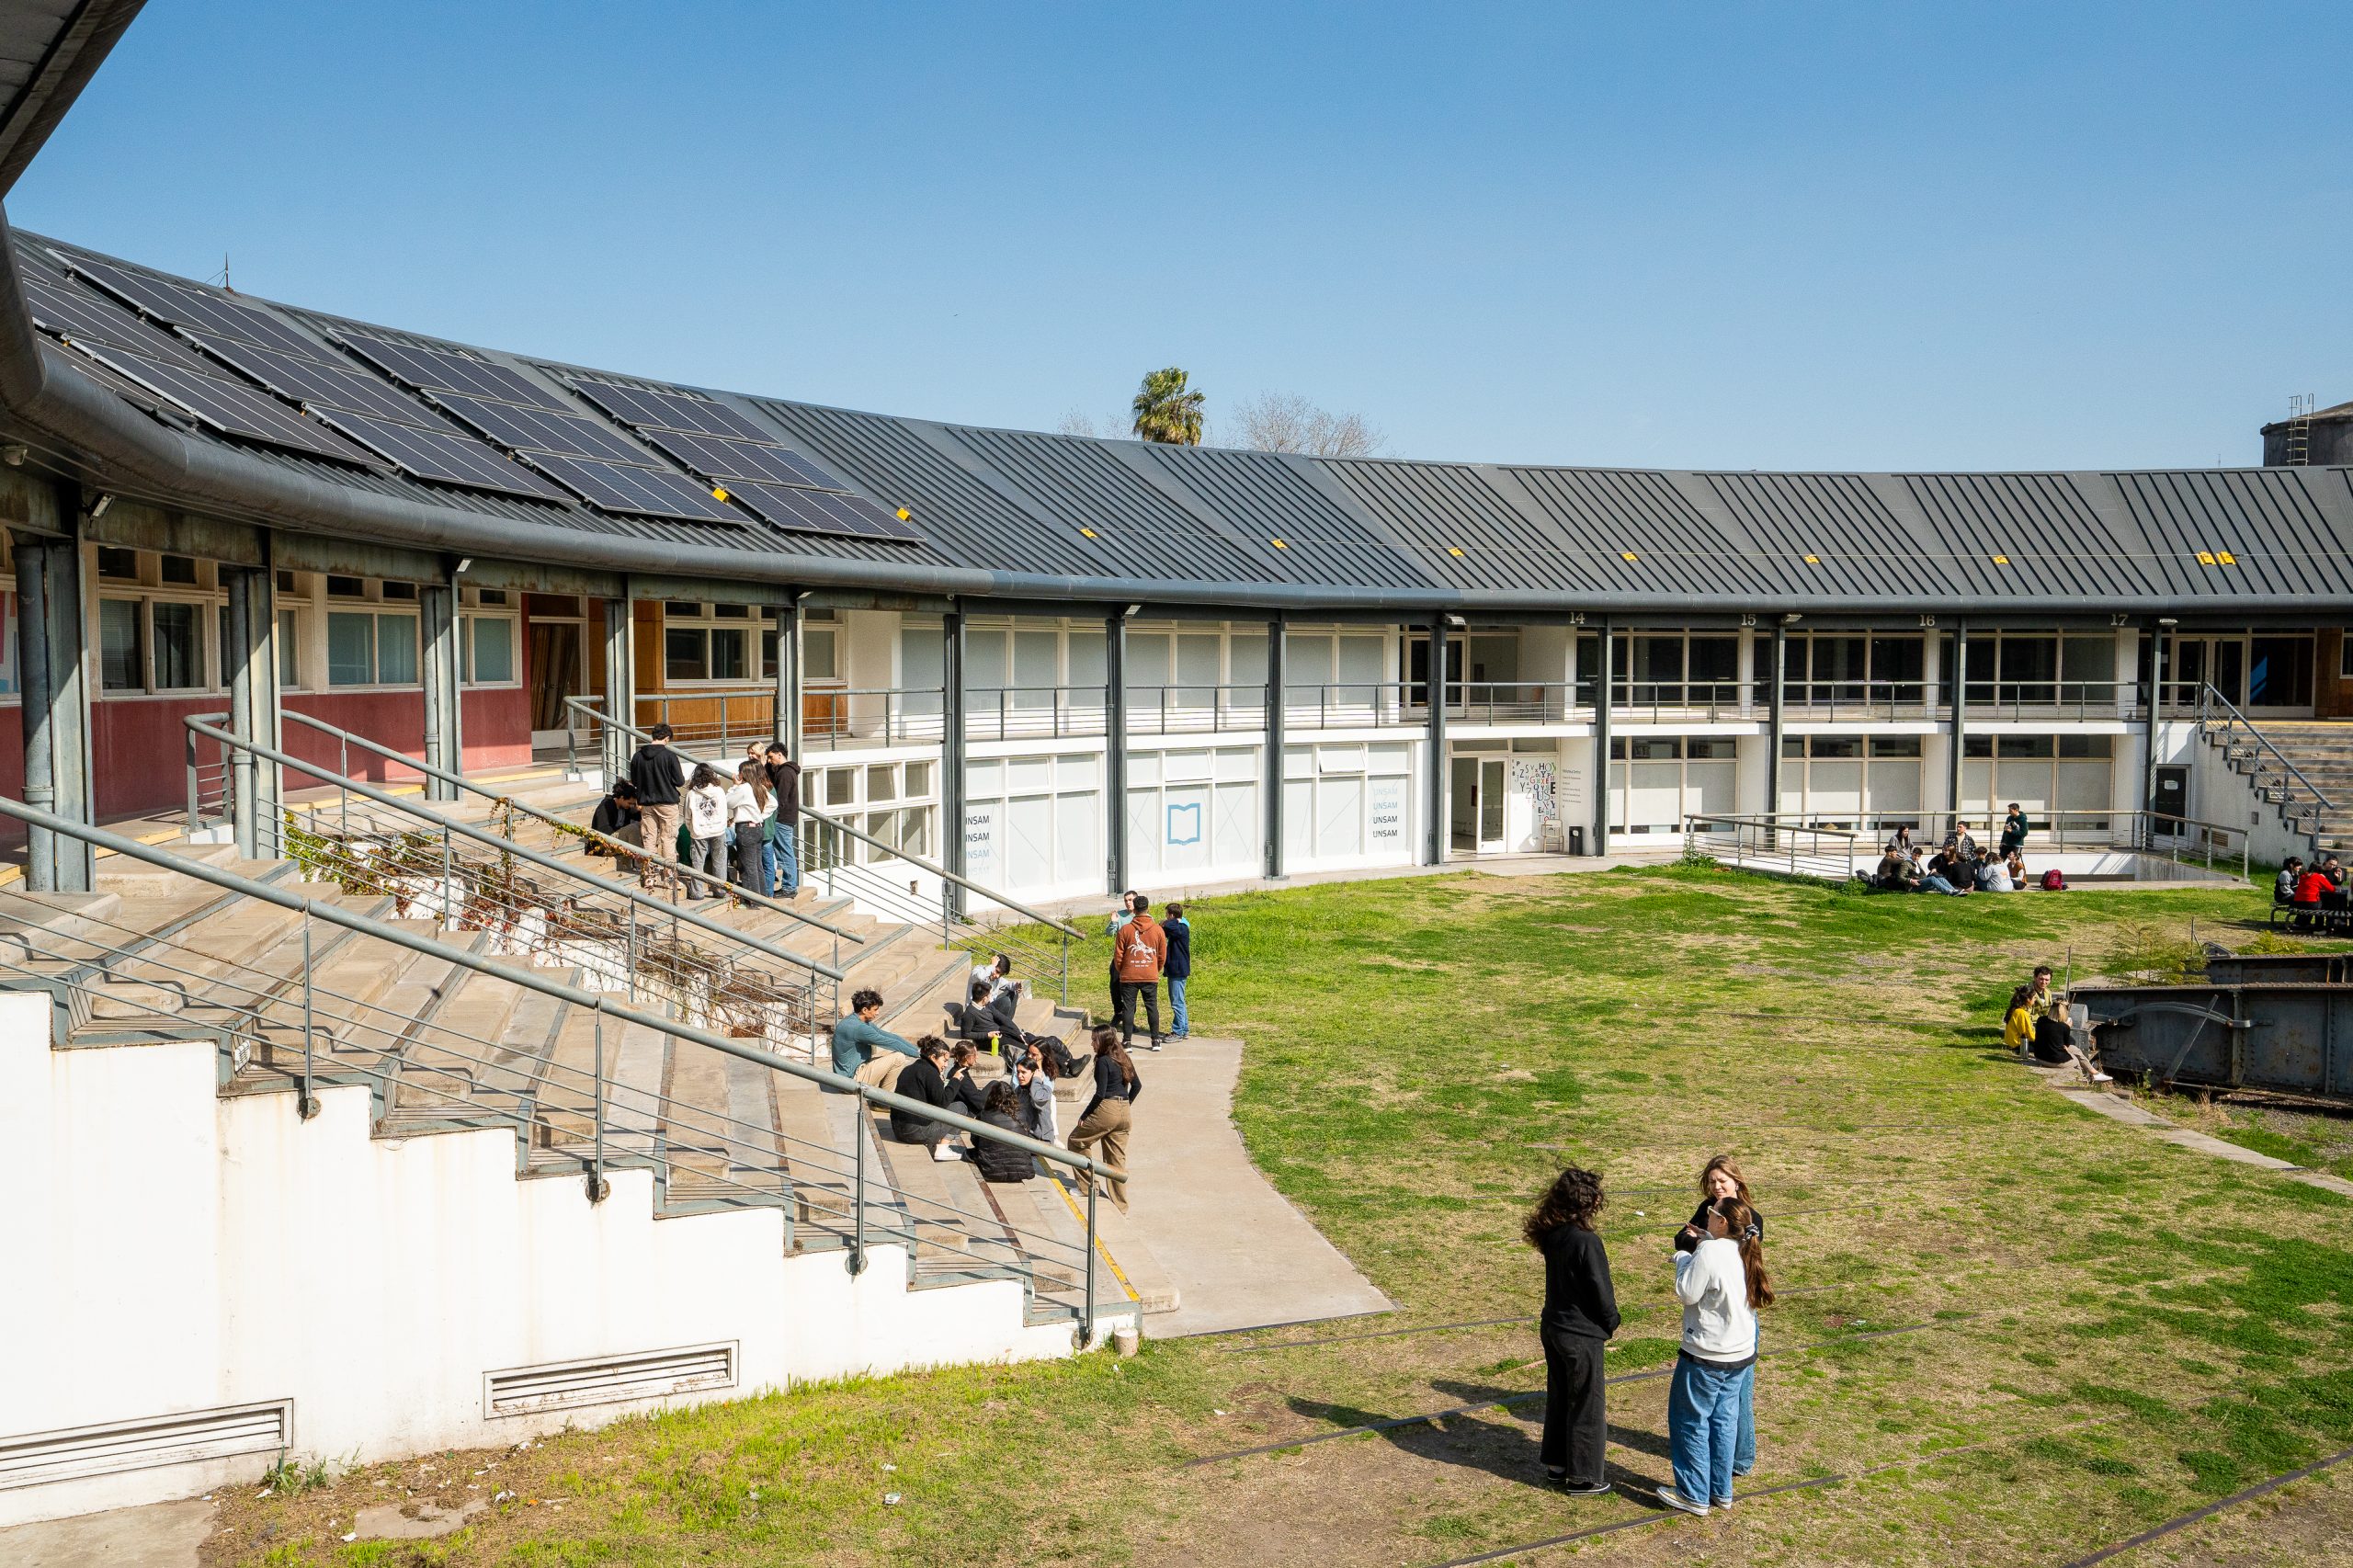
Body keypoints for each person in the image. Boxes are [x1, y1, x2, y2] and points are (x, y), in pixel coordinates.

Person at [1659, 1196, 1772, 1517]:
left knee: (1690, 1421)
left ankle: (1693, 1494)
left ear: (1721, 1221)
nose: (1706, 1216)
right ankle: (1721, 1491)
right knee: (1724, 1421)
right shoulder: (1745, 1248)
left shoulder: (1709, 1252)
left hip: (1707, 1354)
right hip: (1740, 1353)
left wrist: (1684, 1256)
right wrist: (1705, 1243)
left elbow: (1687, 1292)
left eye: (1711, 1213)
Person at [1526, 1165, 1617, 1496]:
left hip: (1553, 1326)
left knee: (1560, 1396)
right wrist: (1611, 1321)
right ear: (1590, 1202)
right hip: (1581, 1333)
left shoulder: (1552, 1234)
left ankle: (1557, 1464)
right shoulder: (1586, 1241)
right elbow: (1600, 1290)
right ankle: (1583, 1477)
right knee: (1586, 1404)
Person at [1677, 1156, 1766, 1482]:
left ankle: (1740, 1458)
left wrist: (1703, 1244)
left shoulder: (1749, 1217)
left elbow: (1733, 1254)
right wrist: (1700, 1241)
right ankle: (1722, 1458)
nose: (1716, 1187)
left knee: (1738, 1396)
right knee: (1724, 1404)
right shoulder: (1708, 1208)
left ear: (1737, 1181)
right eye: (1712, 1181)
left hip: (1736, 1320)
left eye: (1722, 1181)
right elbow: (1681, 1237)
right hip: (1717, 1316)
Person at [1069, 1028, 1140, 1211]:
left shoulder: (1103, 1061)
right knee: (1116, 1160)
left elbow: (1100, 1093)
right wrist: (1125, 1105)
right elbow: (1137, 1086)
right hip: (1124, 1111)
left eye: (1094, 1040)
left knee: (1076, 1141)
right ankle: (1121, 1206)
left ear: (1103, 1041)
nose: (1092, 1044)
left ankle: (1087, 1187)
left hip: (1107, 1108)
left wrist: (1085, 1115)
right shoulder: (1123, 1057)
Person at [626, 722, 688, 891]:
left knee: (649, 839)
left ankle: (649, 877)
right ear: (666, 738)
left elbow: (635, 781)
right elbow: (679, 781)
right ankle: (669, 878)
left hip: (647, 803)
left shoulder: (637, 756)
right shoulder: (669, 756)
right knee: (668, 839)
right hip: (667, 803)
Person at [891, 1037, 967, 1162]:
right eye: (944, 1061)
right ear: (933, 1057)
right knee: (960, 1107)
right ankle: (942, 1149)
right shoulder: (930, 1072)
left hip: (898, 1130)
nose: (946, 1065)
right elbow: (942, 1102)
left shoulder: (909, 1069)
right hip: (915, 1132)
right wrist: (955, 1081)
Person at [829, 989, 917, 1092]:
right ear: (865, 1010)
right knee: (899, 1057)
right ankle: (884, 1099)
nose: (878, 1013)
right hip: (850, 1081)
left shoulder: (858, 1021)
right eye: (875, 1010)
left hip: (852, 1073)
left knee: (892, 1053)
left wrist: (919, 1051)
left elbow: (893, 1037)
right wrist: (921, 1056)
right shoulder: (859, 1028)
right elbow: (892, 1043)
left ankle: (881, 1096)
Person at [1112, 897, 1168, 1051]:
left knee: (1128, 1008)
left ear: (1134, 910)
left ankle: (1127, 1042)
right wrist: (1154, 969)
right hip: (1150, 975)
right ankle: (1155, 1040)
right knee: (1152, 1006)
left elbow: (1118, 955)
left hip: (1129, 976)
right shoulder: (1158, 930)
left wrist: (1123, 970)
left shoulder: (1125, 930)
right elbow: (1162, 955)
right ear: (1148, 909)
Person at [970, 1079, 1037, 1184]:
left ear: (991, 1097)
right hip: (1021, 1170)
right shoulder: (1023, 1114)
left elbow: (974, 1140)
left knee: (968, 1153)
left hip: (991, 1170)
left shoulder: (984, 1115)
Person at [2003, 965, 2074, 1064]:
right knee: (2055, 1042)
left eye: (2047, 980)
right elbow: (2029, 1033)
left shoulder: (2047, 993)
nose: (2044, 982)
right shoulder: (2028, 993)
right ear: (2035, 977)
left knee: (2062, 1039)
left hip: (2040, 1024)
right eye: (2041, 979)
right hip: (2028, 1032)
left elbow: (2047, 1012)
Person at [682, 763, 730, 899]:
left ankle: (697, 892)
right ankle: (720, 890)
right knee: (720, 861)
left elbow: (687, 816)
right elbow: (724, 811)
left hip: (699, 832)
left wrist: (692, 829)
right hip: (718, 830)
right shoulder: (719, 791)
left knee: (698, 862)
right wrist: (722, 825)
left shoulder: (691, 794)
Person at [763, 742, 802, 898]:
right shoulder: (786, 771)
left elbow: (781, 798)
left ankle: (789, 887)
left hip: (782, 819)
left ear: (779, 755)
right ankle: (789, 886)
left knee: (784, 853)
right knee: (784, 851)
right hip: (787, 818)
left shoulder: (785, 773)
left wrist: (775, 815)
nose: (769, 761)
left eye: (771, 757)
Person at [727, 759, 771, 894]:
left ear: (744, 773)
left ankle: (753, 900)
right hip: (757, 828)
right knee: (757, 866)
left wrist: (734, 786)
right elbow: (773, 803)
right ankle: (762, 897)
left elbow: (727, 802)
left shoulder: (744, 788)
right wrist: (760, 817)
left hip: (746, 829)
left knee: (748, 867)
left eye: (740, 772)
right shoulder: (759, 787)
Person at [945, 978, 1020, 1049]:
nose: (990, 997)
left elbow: (1002, 1018)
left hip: (1000, 1032)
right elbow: (965, 1034)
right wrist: (987, 1035)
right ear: (984, 999)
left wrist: (1017, 1032)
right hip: (990, 1040)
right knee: (1020, 1046)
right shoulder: (969, 1014)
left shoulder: (987, 1005)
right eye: (989, 995)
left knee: (1024, 1037)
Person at [586, 779, 642, 859]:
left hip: (616, 840)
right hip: (604, 843)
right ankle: (640, 861)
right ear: (622, 798)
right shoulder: (606, 806)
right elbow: (603, 830)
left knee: (641, 825)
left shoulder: (625, 808)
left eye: (633, 804)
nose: (631, 806)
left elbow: (639, 817)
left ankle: (644, 857)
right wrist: (622, 831)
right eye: (629, 803)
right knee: (633, 828)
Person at [1163, 903, 1193, 1040]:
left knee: (1176, 1002)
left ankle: (1178, 1031)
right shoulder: (1179, 927)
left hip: (1178, 970)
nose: (1165, 918)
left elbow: (1168, 926)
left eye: (1167, 915)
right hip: (1177, 969)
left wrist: (1167, 922)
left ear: (1172, 915)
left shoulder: (1181, 928)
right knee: (1180, 1001)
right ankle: (1184, 1029)